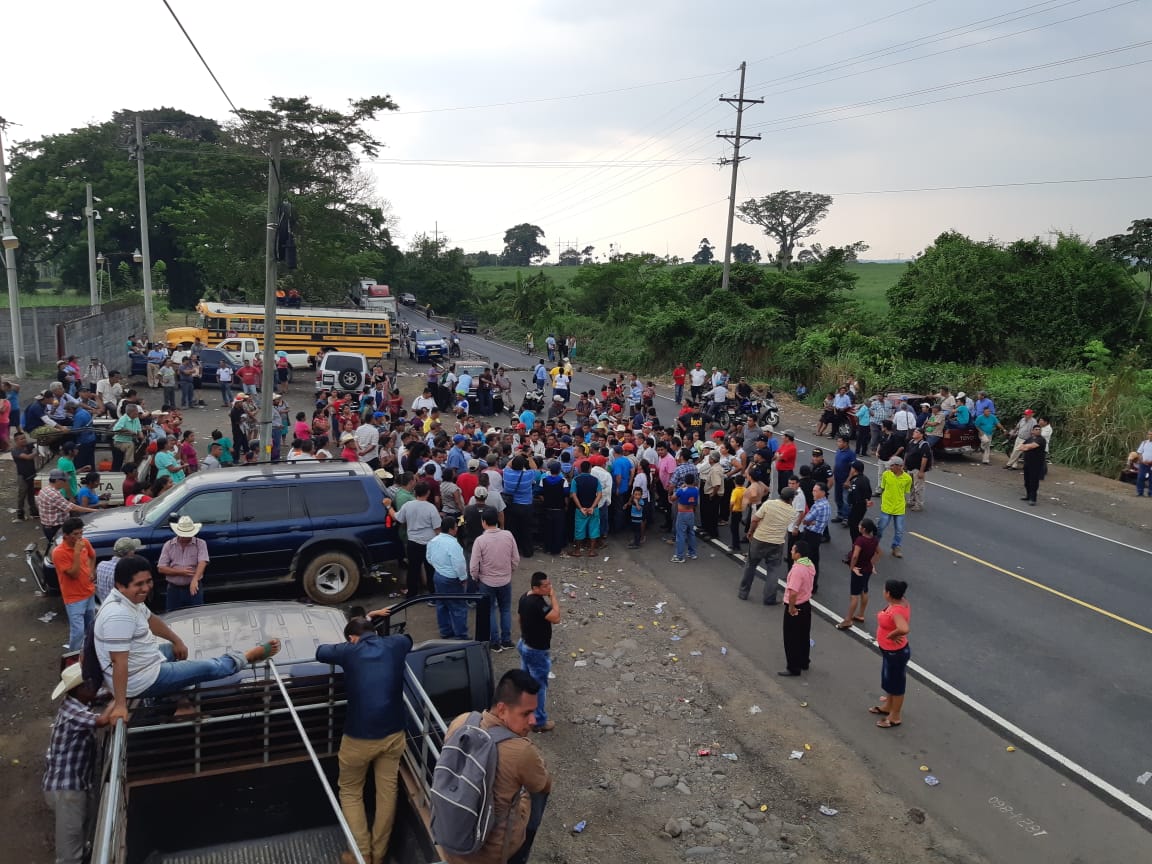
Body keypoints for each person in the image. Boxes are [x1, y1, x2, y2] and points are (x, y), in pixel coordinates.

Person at [95, 555, 282, 726]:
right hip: (142, 678)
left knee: (173, 650)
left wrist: (177, 641)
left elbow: (151, 620)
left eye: (148, 581)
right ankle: (245, 657)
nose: (145, 588)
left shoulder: (127, 601)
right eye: (138, 584)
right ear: (120, 585)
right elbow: (119, 661)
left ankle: (181, 701)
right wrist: (121, 704)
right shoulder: (118, 615)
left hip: (142, 664)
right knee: (208, 668)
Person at [317, 613, 413, 864]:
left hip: (359, 736)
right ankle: (379, 854)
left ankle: (361, 854)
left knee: (350, 791)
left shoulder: (349, 651)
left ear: (351, 638)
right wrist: (368, 619)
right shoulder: (396, 644)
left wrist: (352, 641)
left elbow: (321, 651)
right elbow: (408, 639)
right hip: (394, 733)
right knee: (387, 792)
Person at [441, 671, 553, 864]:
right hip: (491, 857)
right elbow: (544, 786)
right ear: (502, 710)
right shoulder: (522, 751)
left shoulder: (462, 722)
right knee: (534, 794)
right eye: (526, 713)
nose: (533, 721)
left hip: (451, 843)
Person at [43, 664, 113, 864]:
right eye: (91, 684)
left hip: (73, 784)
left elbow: (102, 694)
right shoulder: (72, 711)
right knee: (69, 853)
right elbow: (102, 720)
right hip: (66, 789)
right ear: (81, 689)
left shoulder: (77, 701)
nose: (95, 686)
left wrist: (112, 691)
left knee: (80, 830)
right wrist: (120, 698)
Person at [470, 508, 519, 651]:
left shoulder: (480, 540)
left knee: (490, 611)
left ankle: (495, 642)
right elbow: (515, 558)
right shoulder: (508, 535)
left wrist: (476, 577)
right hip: (505, 580)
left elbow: (474, 565)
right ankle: (507, 640)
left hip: (486, 581)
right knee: (505, 609)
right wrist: (510, 571)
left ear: (483, 522)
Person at [517, 572, 561, 733]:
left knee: (526, 681)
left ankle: (524, 709)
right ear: (535, 588)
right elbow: (556, 618)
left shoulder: (524, 597)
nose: (549, 588)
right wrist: (554, 597)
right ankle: (539, 721)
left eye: (550, 584)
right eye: (545, 586)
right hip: (536, 650)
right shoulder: (537, 603)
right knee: (539, 686)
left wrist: (525, 634)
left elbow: (520, 619)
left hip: (524, 643)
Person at [739, 488, 797, 605]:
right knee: (773, 571)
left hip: (759, 539)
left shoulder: (769, 504)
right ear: (790, 499)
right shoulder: (792, 512)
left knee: (750, 565)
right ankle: (769, 598)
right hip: (776, 543)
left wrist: (750, 531)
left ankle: (743, 593)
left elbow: (755, 519)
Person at [385, 482, 440, 596]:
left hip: (413, 543)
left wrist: (388, 506)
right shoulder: (431, 508)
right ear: (428, 493)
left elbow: (397, 518)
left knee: (413, 569)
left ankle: (412, 594)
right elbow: (437, 528)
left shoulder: (408, 505)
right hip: (429, 543)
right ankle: (433, 594)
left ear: (415, 492)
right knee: (430, 569)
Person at [871, 579, 911, 728]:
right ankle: (888, 705)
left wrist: (891, 635)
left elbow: (904, 628)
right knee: (889, 679)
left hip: (896, 653)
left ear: (888, 593)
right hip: (890, 652)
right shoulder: (900, 602)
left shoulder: (896, 610)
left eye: (884, 590)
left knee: (897, 684)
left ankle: (895, 716)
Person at [52, 518, 97, 651]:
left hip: (89, 592)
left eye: (81, 533)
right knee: (78, 632)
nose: (79, 537)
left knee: (91, 627)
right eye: (75, 534)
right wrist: (77, 552)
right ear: (66, 536)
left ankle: (90, 654)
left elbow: (92, 556)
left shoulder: (85, 543)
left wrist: (91, 570)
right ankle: (74, 659)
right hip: (74, 598)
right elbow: (74, 574)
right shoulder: (59, 553)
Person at [427, 516, 471, 639]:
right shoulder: (453, 544)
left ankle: (445, 631)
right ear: (452, 529)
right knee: (458, 607)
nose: (457, 529)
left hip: (438, 575)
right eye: (456, 526)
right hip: (451, 579)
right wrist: (463, 578)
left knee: (442, 605)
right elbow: (459, 564)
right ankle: (461, 635)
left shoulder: (433, 541)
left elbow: (429, 558)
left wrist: (439, 567)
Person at [157, 515, 210, 612]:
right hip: (174, 589)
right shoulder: (168, 545)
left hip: (193, 588)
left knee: (197, 614)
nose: (186, 537)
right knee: (173, 616)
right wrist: (180, 572)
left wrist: (195, 579)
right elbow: (161, 568)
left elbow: (203, 562)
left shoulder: (200, 544)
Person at [779, 540, 815, 677]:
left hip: (796, 606)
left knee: (791, 638)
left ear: (799, 554)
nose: (791, 551)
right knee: (803, 635)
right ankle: (804, 661)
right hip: (806, 605)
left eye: (793, 550)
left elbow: (793, 591)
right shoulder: (809, 564)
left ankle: (793, 667)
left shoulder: (797, 570)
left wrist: (791, 607)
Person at [837, 517, 880, 630]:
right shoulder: (874, 540)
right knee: (864, 590)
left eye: (860, 526)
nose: (858, 527)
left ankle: (848, 619)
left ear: (864, 529)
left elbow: (855, 556)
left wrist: (852, 567)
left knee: (854, 595)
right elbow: (879, 552)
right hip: (867, 569)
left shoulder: (860, 541)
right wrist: (872, 564)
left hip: (859, 570)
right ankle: (861, 614)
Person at [37, 469, 97, 542]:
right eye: (65, 481)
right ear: (57, 481)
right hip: (55, 528)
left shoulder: (45, 489)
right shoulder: (53, 494)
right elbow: (72, 507)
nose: (66, 483)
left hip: (49, 526)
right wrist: (95, 511)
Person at [874, 457, 913, 559]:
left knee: (899, 530)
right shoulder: (886, 474)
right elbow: (883, 488)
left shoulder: (908, 478)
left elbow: (906, 492)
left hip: (899, 508)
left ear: (899, 466)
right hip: (886, 506)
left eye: (892, 465)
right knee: (881, 528)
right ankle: (873, 545)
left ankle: (896, 547)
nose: (890, 467)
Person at [799, 483, 829, 592]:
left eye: (815, 491)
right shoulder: (826, 504)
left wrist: (808, 521)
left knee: (806, 561)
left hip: (811, 535)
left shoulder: (818, 506)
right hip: (817, 535)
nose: (813, 493)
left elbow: (805, 520)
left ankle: (807, 585)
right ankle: (813, 585)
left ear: (823, 492)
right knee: (814, 561)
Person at [96, 537, 142, 603]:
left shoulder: (101, 565)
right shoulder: (127, 570)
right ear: (130, 553)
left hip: (105, 604)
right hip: (121, 606)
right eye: (133, 550)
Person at [669, 474, 699, 564]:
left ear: (685, 481)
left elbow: (673, 498)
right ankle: (692, 553)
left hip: (682, 514)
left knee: (680, 535)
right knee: (691, 533)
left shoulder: (682, 490)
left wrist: (679, 488)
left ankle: (680, 556)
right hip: (691, 513)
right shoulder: (696, 490)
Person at [11, 431, 39, 522]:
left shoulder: (28, 446)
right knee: (21, 496)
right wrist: (36, 451)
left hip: (32, 474)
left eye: (24, 438)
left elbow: (37, 442)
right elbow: (28, 457)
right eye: (21, 439)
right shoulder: (15, 451)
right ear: (16, 441)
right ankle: (20, 515)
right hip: (22, 476)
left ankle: (34, 513)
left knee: (31, 494)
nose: (24, 440)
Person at [903, 427, 933, 512]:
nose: (914, 433)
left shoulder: (924, 445)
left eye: (916, 432)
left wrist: (921, 471)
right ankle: (912, 501)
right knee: (911, 486)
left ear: (921, 435)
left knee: (918, 488)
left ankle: (919, 504)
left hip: (917, 469)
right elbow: (907, 453)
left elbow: (925, 459)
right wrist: (904, 465)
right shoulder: (911, 442)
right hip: (910, 468)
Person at [1019, 424, 1047, 505]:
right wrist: (1026, 447)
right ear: (1032, 431)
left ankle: (1033, 499)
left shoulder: (1041, 439)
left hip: (1036, 464)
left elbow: (1033, 446)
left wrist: (1027, 447)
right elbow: (1021, 447)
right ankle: (1028, 495)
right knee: (1026, 481)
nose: (1038, 430)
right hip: (1027, 463)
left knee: (1033, 481)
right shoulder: (1029, 438)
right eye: (1036, 429)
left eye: (1039, 429)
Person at [1136, 429, 1152, 497]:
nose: (1150, 436)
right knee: (1140, 477)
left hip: (1151, 464)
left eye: (1151, 434)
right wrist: (1141, 460)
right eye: (1149, 434)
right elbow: (1139, 452)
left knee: (1151, 479)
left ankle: (1150, 493)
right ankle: (1140, 492)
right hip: (1143, 463)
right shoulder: (1144, 442)